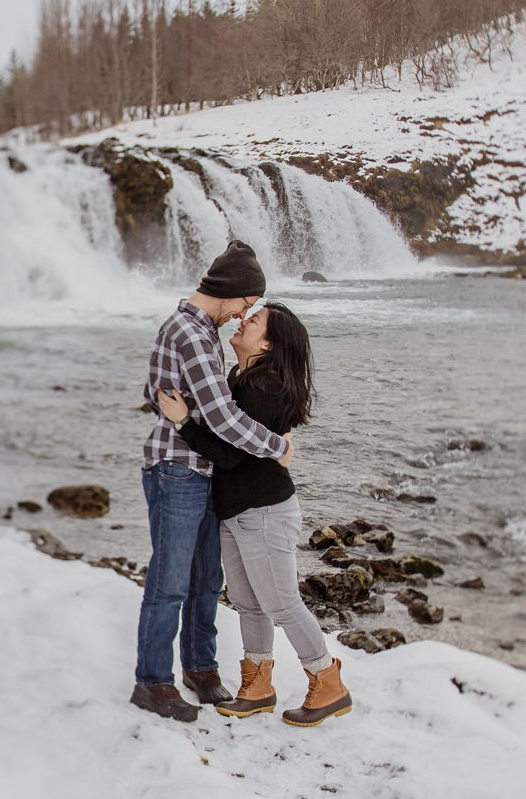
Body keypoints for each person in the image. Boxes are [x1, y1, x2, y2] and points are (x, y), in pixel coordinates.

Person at [156, 300, 353, 728]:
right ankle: (257, 687)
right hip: (239, 511)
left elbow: (230, 455)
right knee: (248, 603)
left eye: (255, 319)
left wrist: (184, 421)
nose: (244, 320)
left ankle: (328, 682)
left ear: (267, 344)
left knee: (281, 602)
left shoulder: (263, 386)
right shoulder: (242, 378)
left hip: (264, 511)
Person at [132, 241, 292, 723]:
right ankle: (152, 682)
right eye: (247, 303)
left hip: (200, 469)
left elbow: (155, 392)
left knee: (207, 580)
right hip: (177, 470)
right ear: (231, 291)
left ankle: (200, 668)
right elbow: (221, 416)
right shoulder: (191, 332)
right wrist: (277, 446)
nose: (243, 315)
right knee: (171, 581)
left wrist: (182, 413)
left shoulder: (198, 331)